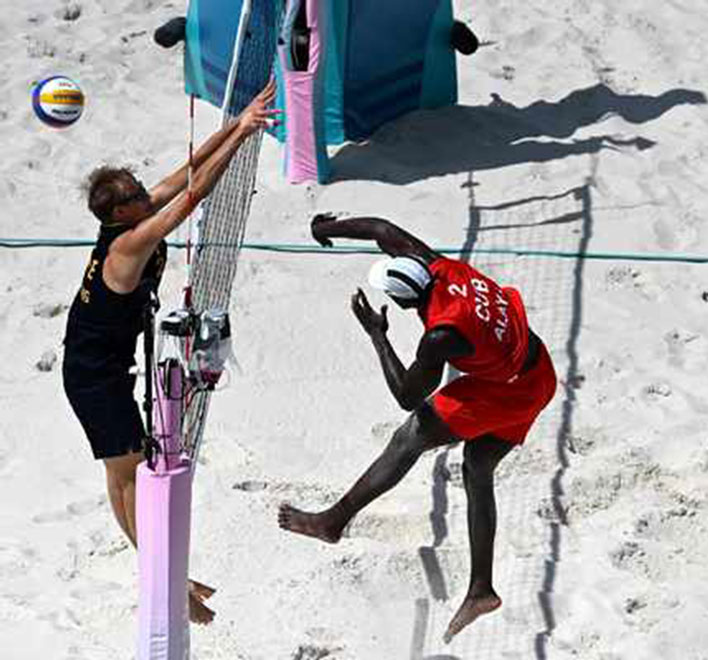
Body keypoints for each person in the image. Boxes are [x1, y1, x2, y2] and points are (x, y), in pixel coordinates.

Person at [279, 215, 557, 643]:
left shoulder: (440, 336)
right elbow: (381, 229)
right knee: (478, 466)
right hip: (538, 373)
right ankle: (481, 589)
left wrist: (377, 335)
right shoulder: (441, 266)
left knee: (409, 437)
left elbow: (408, 395)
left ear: (404, 302)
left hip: (507, 390)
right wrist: (327, 229)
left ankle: (332, 521)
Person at [62, 80, 278, 624]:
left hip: (102, 363)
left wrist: (238, 122)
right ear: (121, 212)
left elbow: (184, 171)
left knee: (121, 474)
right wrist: (244, 138)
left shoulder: (129, 218)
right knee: (128, 476)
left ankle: (163, 570)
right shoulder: (131, 240)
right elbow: (192, 196)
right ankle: (164, 578)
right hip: (94, 377)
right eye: (138, 192)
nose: (147, 192)